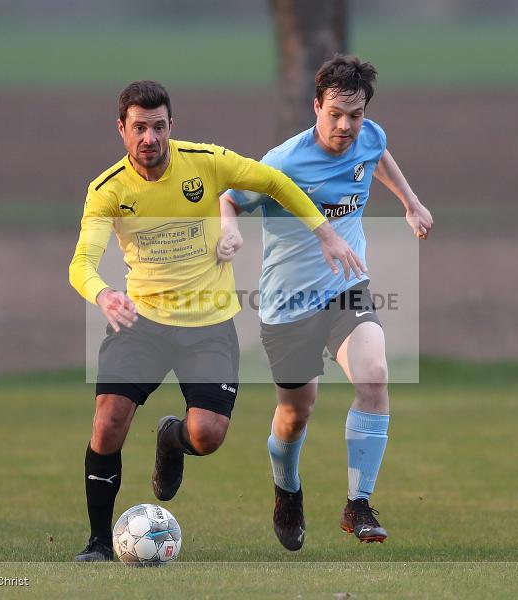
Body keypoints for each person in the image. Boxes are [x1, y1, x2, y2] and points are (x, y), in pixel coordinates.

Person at [68, 80, 365, 561]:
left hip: (207, 326)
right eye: (139, 128)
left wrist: (325, 233)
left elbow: (275, 182)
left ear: (171, 125)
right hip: (140, 322)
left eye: (158, 127)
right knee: (108, 421)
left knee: (207, 436)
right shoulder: (107, 190)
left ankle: (172, 438)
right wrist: (103, 294)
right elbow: (81, 262)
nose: (149, 138)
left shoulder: (205, 162)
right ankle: (99, 542)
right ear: (121, 129)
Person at [219, 55, 433, 549]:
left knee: (374, 374)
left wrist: (411, 203)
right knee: (296, 413)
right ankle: (287, 489)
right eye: (334, 114)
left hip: (345, 289)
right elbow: (229, 198)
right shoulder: (283, 162)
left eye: (354, 115)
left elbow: (378, 155)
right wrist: (230, 230)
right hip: (287, 304)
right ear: (316, 106)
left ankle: (358, 504)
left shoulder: (369, 136)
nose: (345, 126)